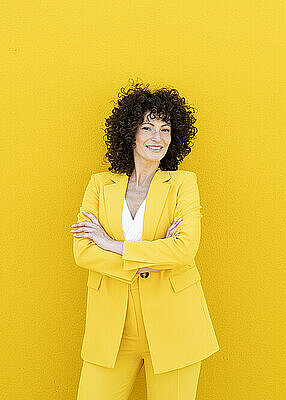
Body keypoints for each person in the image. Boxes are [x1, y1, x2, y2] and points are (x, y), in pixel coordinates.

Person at [70, 81, 220, 399]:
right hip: (112, 331)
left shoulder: (183, 184)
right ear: (130, 134)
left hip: (175, 328)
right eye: (148, 127)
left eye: (165, 129)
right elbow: (83, 251)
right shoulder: (100, 185)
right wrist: (153, 253)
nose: (157, 138)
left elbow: (184, 249)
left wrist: (112, 244)